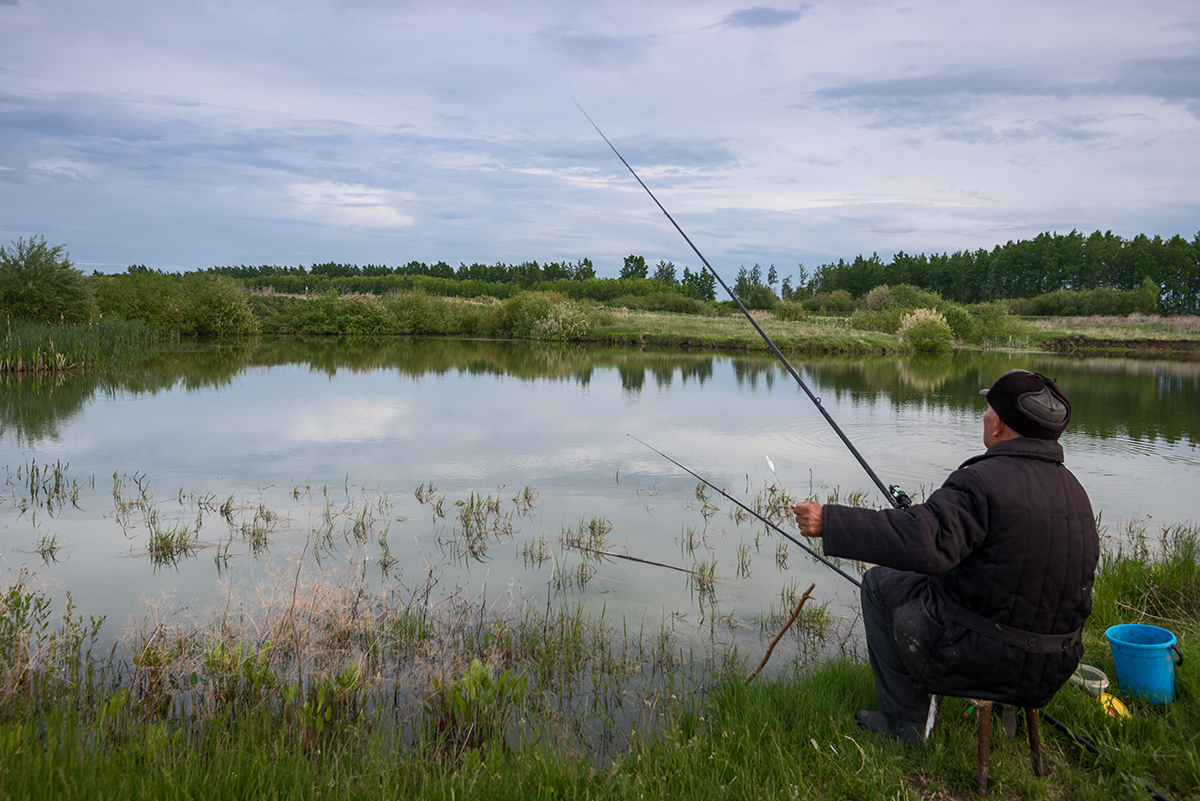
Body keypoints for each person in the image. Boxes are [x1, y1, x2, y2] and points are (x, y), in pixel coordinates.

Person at [791, 369, 1098, 744]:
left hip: (982, 658)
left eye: (987, 410)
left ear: (999, 424)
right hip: (1052, 667)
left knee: (877, 584)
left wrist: (831, 522)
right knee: (1019, 594)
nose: (984, 417)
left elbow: (924, 543)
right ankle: (1007, 712)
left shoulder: (982, 480)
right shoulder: (1076, 492)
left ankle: (904, 722)